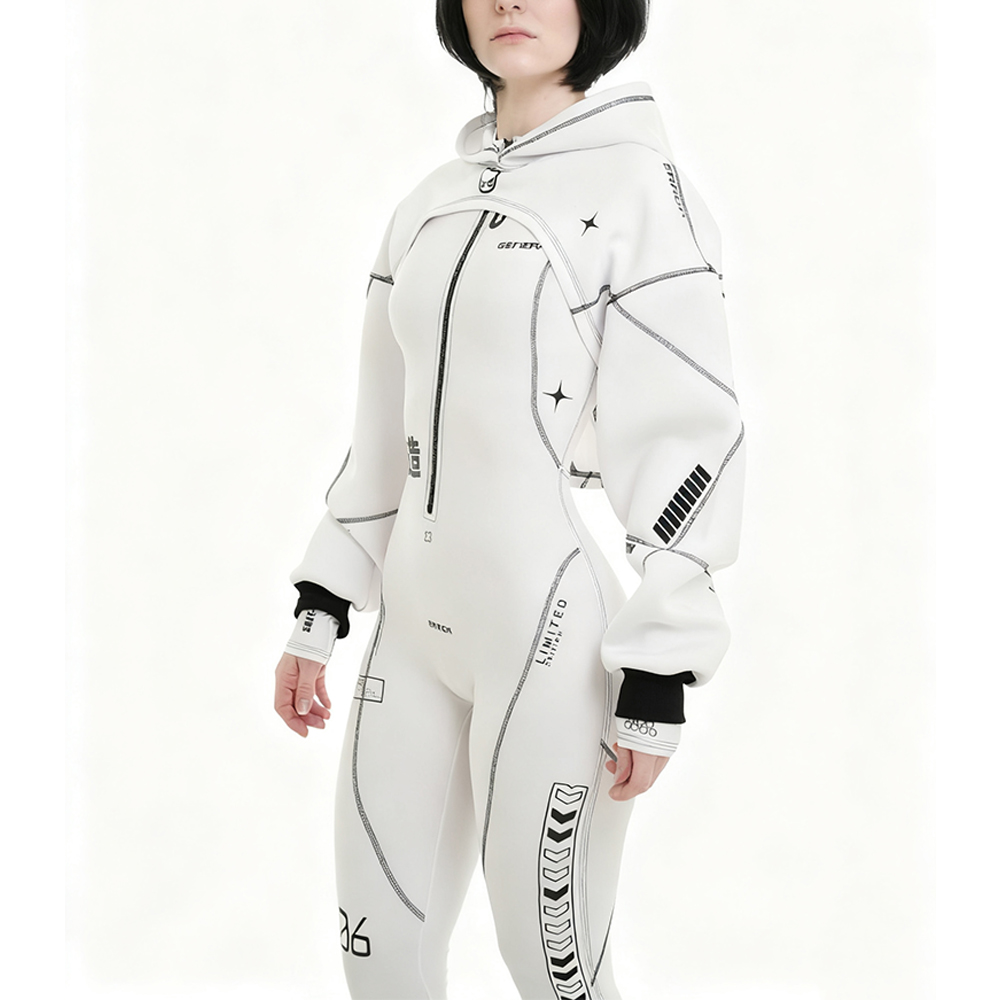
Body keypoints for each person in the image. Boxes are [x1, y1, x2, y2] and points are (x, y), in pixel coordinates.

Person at [274, 1, 744, 997]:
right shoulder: (430, 202)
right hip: (409, 632)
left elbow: (685, 430)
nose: (510, 1)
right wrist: (322, 603)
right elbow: (383, 429)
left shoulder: (638, 189)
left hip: (546, 633)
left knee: (549, 964)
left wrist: (658, 668)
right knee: (377, 954)